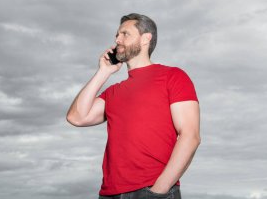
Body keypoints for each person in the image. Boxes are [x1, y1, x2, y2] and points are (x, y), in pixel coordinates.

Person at [66, 13, 200, 199]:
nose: (117, 39)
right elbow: (76, 117)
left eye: (125, 34)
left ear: (146, 39)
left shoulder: (173, 76)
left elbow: (190, 136)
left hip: (153, 190)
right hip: (109, 193)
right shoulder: (113, 92)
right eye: (116, 35)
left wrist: (158, 191)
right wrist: (103, 72)